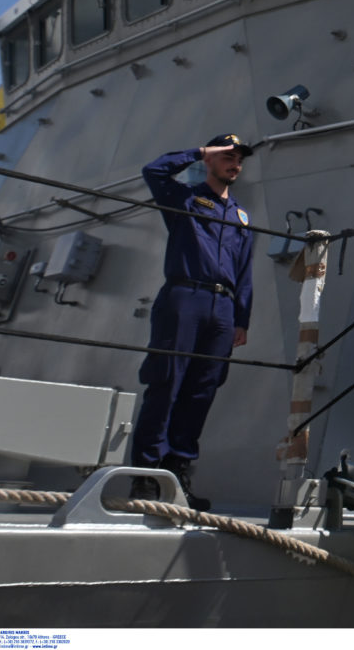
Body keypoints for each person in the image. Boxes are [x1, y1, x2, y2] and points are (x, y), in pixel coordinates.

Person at [130, 134, 255, 511]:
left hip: (222, 308)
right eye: (227, 156)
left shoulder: (241, 216)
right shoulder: (183, 199)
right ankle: (145, 474)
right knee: (166, 382)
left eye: (239, 159)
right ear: (211, 160)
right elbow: (153, 171)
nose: (235, 163)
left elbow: (244, 271)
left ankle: (176, 473)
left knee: (203, 389)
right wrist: (198, 152)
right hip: (185, 297)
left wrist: (242, 318)